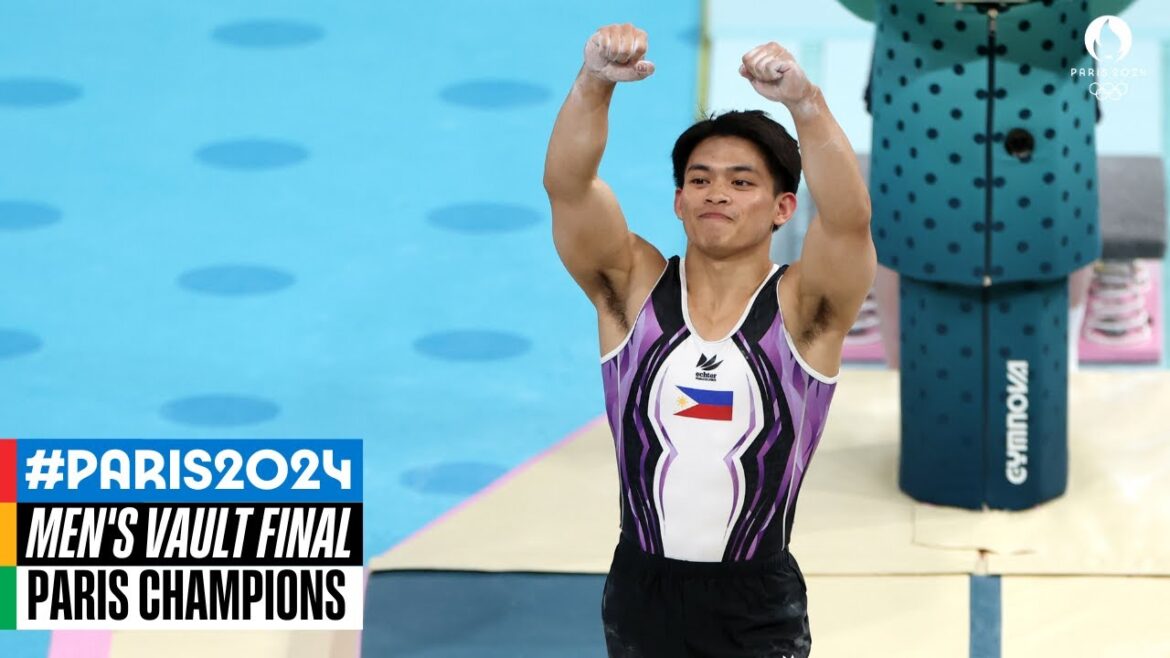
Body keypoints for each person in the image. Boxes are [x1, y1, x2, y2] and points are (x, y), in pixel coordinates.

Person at [543, 23, 874, 658]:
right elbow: (569, 189)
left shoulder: (805, 310)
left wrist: (805, 103)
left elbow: (848, 221)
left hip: (755, 601)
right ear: (677, 201)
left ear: (782, 208)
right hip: (642, 589)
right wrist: (593, 82)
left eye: (741, 182)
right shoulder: (631, 290)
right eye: (699, 180)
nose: (716, 192)